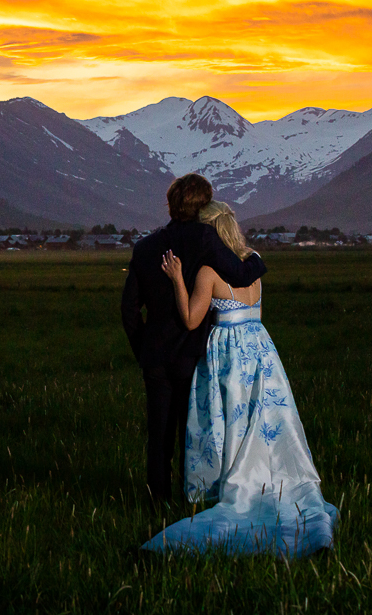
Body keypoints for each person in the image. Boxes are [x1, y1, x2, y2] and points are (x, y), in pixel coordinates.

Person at [141, 201, 337, 558]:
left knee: (226, 419)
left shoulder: (209, 272)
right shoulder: (253, 263)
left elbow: (190, 319)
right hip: (260, 349)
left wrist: (175, 280)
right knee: (260, 420)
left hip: (227, 354)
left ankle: (220, 486)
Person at [122, 175, 267, 506]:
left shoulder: (144, 248)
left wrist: (143, 349)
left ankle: (156, 500)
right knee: (195, 430)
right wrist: (258, 258)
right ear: (203, 203)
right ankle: (193, 497)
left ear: (171, 203)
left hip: (155, 356)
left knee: (159, 434)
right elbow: (241, 274)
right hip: (194, 353)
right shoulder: (205, 238)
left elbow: (128, 309)